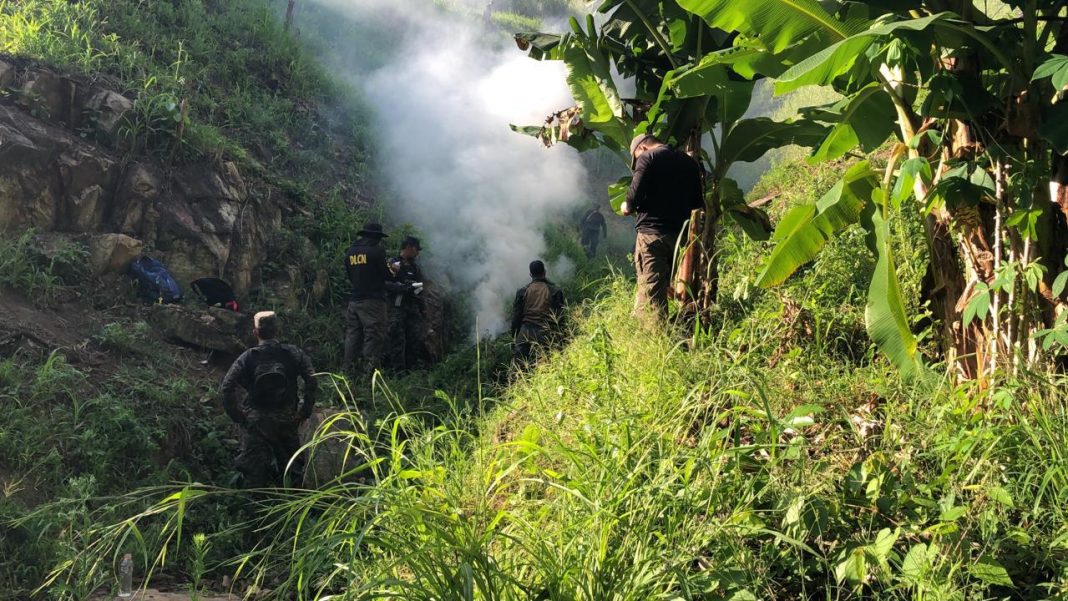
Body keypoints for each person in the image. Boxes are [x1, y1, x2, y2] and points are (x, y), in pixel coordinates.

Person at [221, 311, 318, 488]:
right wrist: (304, 412)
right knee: (292, 468)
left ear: (255, 333)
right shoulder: (294, 353)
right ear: (277, 330)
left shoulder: (248, 357)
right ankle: (296, 509)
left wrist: (239, 416)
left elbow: (227, 387)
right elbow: (312, 378)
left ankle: (253, 509)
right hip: (287, 418)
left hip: (256, 420)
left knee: (253, 472)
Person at [621, 133, 703, 321]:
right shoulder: (689, 162)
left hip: (652, 236)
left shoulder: (647, 158)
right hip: (680, 238)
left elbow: (631, 202)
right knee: (665, 286)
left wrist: (625, 206)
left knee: (652, 294)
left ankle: (656, 343)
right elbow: (698, 204)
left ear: (641, 148)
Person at [343, 222, 391, 376]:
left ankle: (348, 373)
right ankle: (369, 376)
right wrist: (393, 270)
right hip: (373, 301)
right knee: (374, 335)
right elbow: (386, 275)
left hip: (354, 300)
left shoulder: (351, 251)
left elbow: (350, 275)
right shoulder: (376, 251)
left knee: (353, 336)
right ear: (376, 237)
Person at [510, 260, 565, 364]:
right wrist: (562, 339)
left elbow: (516, 318)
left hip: (525, 331)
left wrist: (515, 337)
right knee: (550, 363)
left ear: (530, 274)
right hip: (545, 331)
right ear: (544, 272)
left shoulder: (522, 291)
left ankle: (517, 379)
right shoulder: (555, 291)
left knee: (518, 367)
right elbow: (560, 318)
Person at [386, 236, 428, 371]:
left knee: (415, 338)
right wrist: (401, 288)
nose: (418, 253)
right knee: (397, 338)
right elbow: (385, 283)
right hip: (397, 307)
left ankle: (412, 370)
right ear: (409, 247)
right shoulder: (393, 264)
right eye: (416, 249)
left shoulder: (415, 268)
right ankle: (397, 371)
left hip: (413, 307)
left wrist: (421, 304)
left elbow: (420, 288)